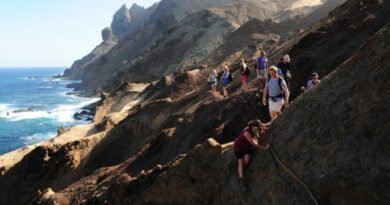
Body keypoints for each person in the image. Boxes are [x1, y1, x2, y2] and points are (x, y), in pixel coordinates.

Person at [234, 120, 270, 190]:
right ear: (252, 126)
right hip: (239, 148)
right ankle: (241, 179)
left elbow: (263, 127)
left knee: (247, 160)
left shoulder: (253, 129)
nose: (256, 130)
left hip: (247, 147)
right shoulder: (247, 132)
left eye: (257, 128)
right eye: (255, 128)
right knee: (241, 163)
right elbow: (254, 144)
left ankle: (239, 169)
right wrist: (265, 148)